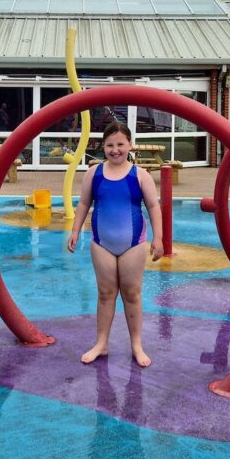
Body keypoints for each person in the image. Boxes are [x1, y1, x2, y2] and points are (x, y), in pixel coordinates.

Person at [68, 121, 163, 367]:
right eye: (110, 145)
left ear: (130, 144)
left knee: (132, 293)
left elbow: (153, 206)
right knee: (105, 293)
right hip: (102, 243)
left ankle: (136, 345)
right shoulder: (94, 173)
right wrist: (75, 230)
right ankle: (102, 343)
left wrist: (159, 238)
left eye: (120, 144)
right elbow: (83, 204)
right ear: (103, 146)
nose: (115, 149)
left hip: (133, 243)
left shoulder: (140, 175)